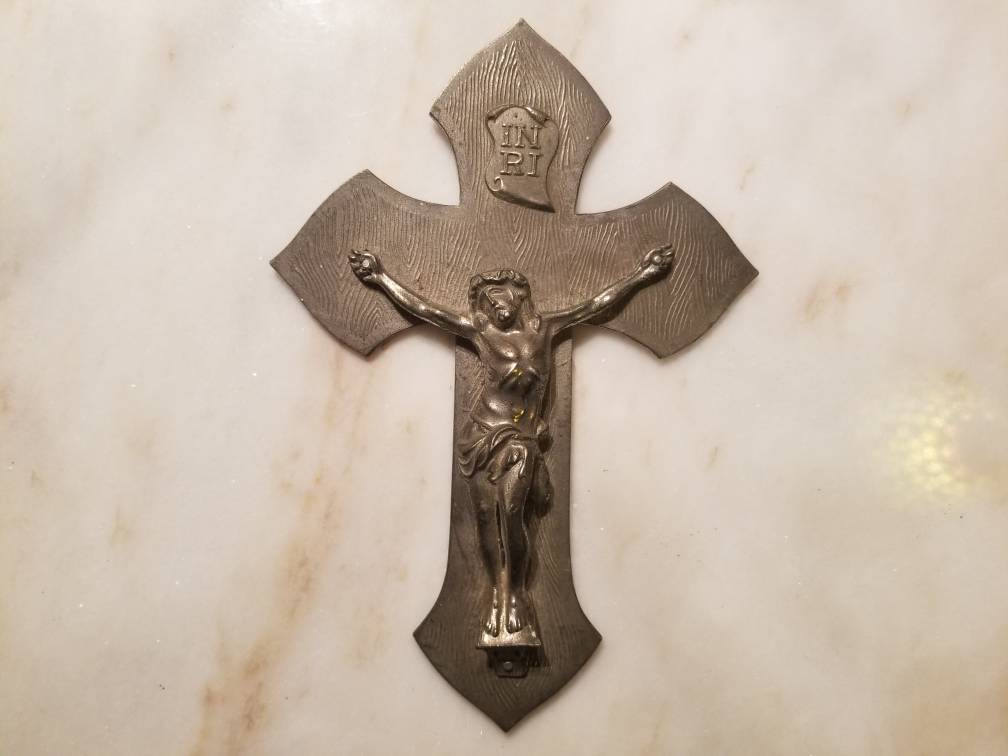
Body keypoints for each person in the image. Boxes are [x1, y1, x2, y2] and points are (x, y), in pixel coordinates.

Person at [348, 243, 675, 642]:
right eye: (488, 300)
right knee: (488, 520)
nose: (496, 306)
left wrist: (642, 275)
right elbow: (426, 310)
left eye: (501, 297)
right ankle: (496, 596)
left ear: (519, 296)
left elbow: (595, 305)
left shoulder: (545, 329)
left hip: (521, 440)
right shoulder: (481, 331)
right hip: (482, 435)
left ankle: (515, 594)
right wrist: (381, 279)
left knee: (512, 513)